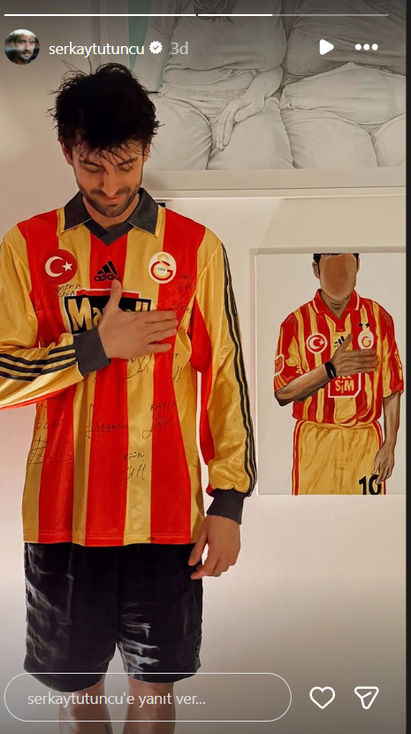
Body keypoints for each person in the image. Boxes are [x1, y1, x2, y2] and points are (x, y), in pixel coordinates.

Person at [0, 63, 256, 733]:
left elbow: (224, 377)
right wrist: (94, 347)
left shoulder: (196, 249)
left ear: (147, 151)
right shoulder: (27, 247)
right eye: (92, 167)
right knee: (78, 694)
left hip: (165, 519)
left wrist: (228, 502)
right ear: (67, 152)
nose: (110, 186)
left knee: (154, 687)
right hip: (62, 517)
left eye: (126, 164)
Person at [273, 253, 403, 495]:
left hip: (365, 442)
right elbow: (283, 392)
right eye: (331, 268)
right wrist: (330, 370)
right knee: (313, 514)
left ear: (358, 265)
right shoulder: (295, 322)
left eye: (345, 268)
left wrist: (390, 445)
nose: (339, 277)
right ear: (316, 269)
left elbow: (392, 387)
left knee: (367, 515)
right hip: (314, 443)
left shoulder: (379, 318)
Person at [135, 0, 292, 170]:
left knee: (269, 166)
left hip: (248, 102)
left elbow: (279, 65)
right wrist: (133, 109)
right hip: (180, 102)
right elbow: (153, 52)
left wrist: (257, 93)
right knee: (162, 168)